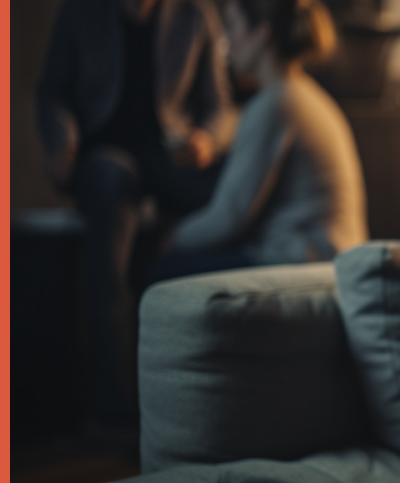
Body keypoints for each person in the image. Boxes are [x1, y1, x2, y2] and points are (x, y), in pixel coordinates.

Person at [37, 0, 238, 428]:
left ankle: (210, 399)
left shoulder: (196, 14)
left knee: (231, 204)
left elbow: (220, 106)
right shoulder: (79, 12)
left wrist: (208, 139)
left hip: (172, 155)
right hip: (105, 155)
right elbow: (52, 89)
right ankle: (116, 412)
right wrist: (63, 139)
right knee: (109, 210)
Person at [144, 0, 369, 285]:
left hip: (299, 262)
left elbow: (228, 218)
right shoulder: (305, 96)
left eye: (234, 27)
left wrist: (170, 236)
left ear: (262, 34)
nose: (226, 42)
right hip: (329, 260)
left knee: (154, 276)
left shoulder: (275, 104)